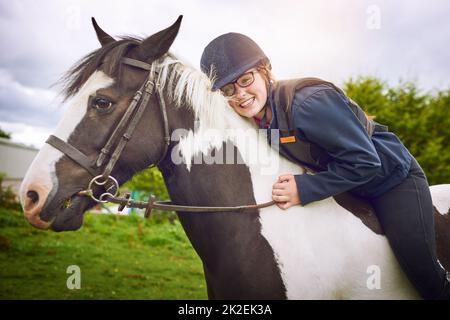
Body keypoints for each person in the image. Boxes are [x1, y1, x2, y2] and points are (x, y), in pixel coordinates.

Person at [200, 32, 450, 300]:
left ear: (265, 70)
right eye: (228, 90)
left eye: (245, 80)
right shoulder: (257, 118)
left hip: (391, 180)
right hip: (349, 187)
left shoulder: (309, 102)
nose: (240, 94)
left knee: (424, 274)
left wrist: (304, 188)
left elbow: (366, 162)